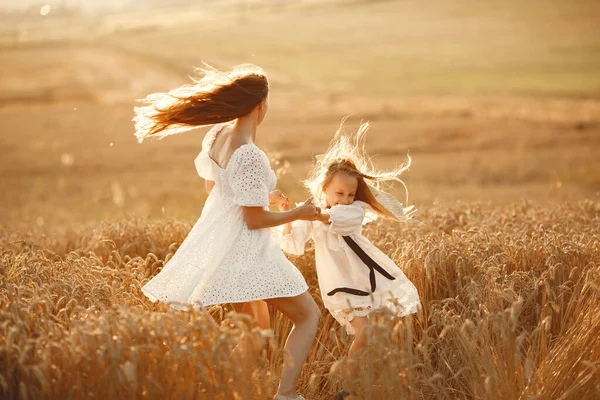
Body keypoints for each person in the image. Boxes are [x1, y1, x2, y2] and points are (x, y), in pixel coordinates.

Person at [133, 63, 320, 400]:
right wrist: (300, 212)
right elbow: (254, 222)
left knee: (255, 333)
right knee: (308, 315)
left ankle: (222, 391)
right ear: (261, 105)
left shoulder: (218, 135)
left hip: (224, 247)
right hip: (248, 251)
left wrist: (261, 196)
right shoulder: (249, 154)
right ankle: (287, 394)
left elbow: (216, 189)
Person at [276, 121, 421, 399]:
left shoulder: (353, 210)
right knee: (364, 331)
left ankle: (360, 385)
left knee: (375, 332)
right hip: (338, 284)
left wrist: (311, 213)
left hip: (365, 278)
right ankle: (347, 389)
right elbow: (292, 245)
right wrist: (289, 214)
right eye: (338, 193)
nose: (344, 199)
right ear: (325, 189)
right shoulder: (311, 212)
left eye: (350, 194)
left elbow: (337, 219)